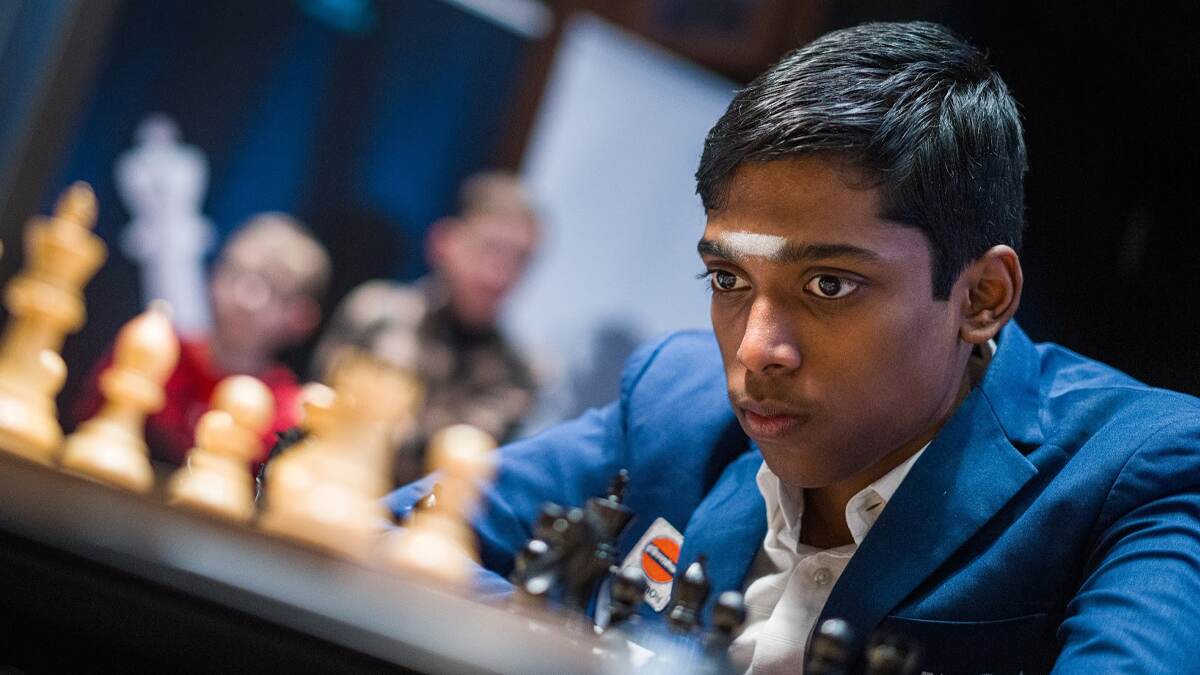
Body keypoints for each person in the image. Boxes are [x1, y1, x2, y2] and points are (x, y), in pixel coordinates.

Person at [386, 21, 1200, 673]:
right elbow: (391, 534)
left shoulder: (1145, 470)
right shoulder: (677, 400)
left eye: (829, 286)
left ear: (981, 297)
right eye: (730, 280)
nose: (758, 350)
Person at [311, 171, 540, 484]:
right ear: (444, 242)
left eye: (520, 259)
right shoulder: (376, 314)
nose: (501, 271)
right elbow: (322, 413)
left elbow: (456, 467)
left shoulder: (521, 373)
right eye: (491, 248)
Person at [73, 213, 330, 466]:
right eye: (235, 272)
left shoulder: (291, 414)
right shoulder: (151, 351)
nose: (245, 298)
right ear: (214, 273)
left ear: (302, 318)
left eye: (273, 289)